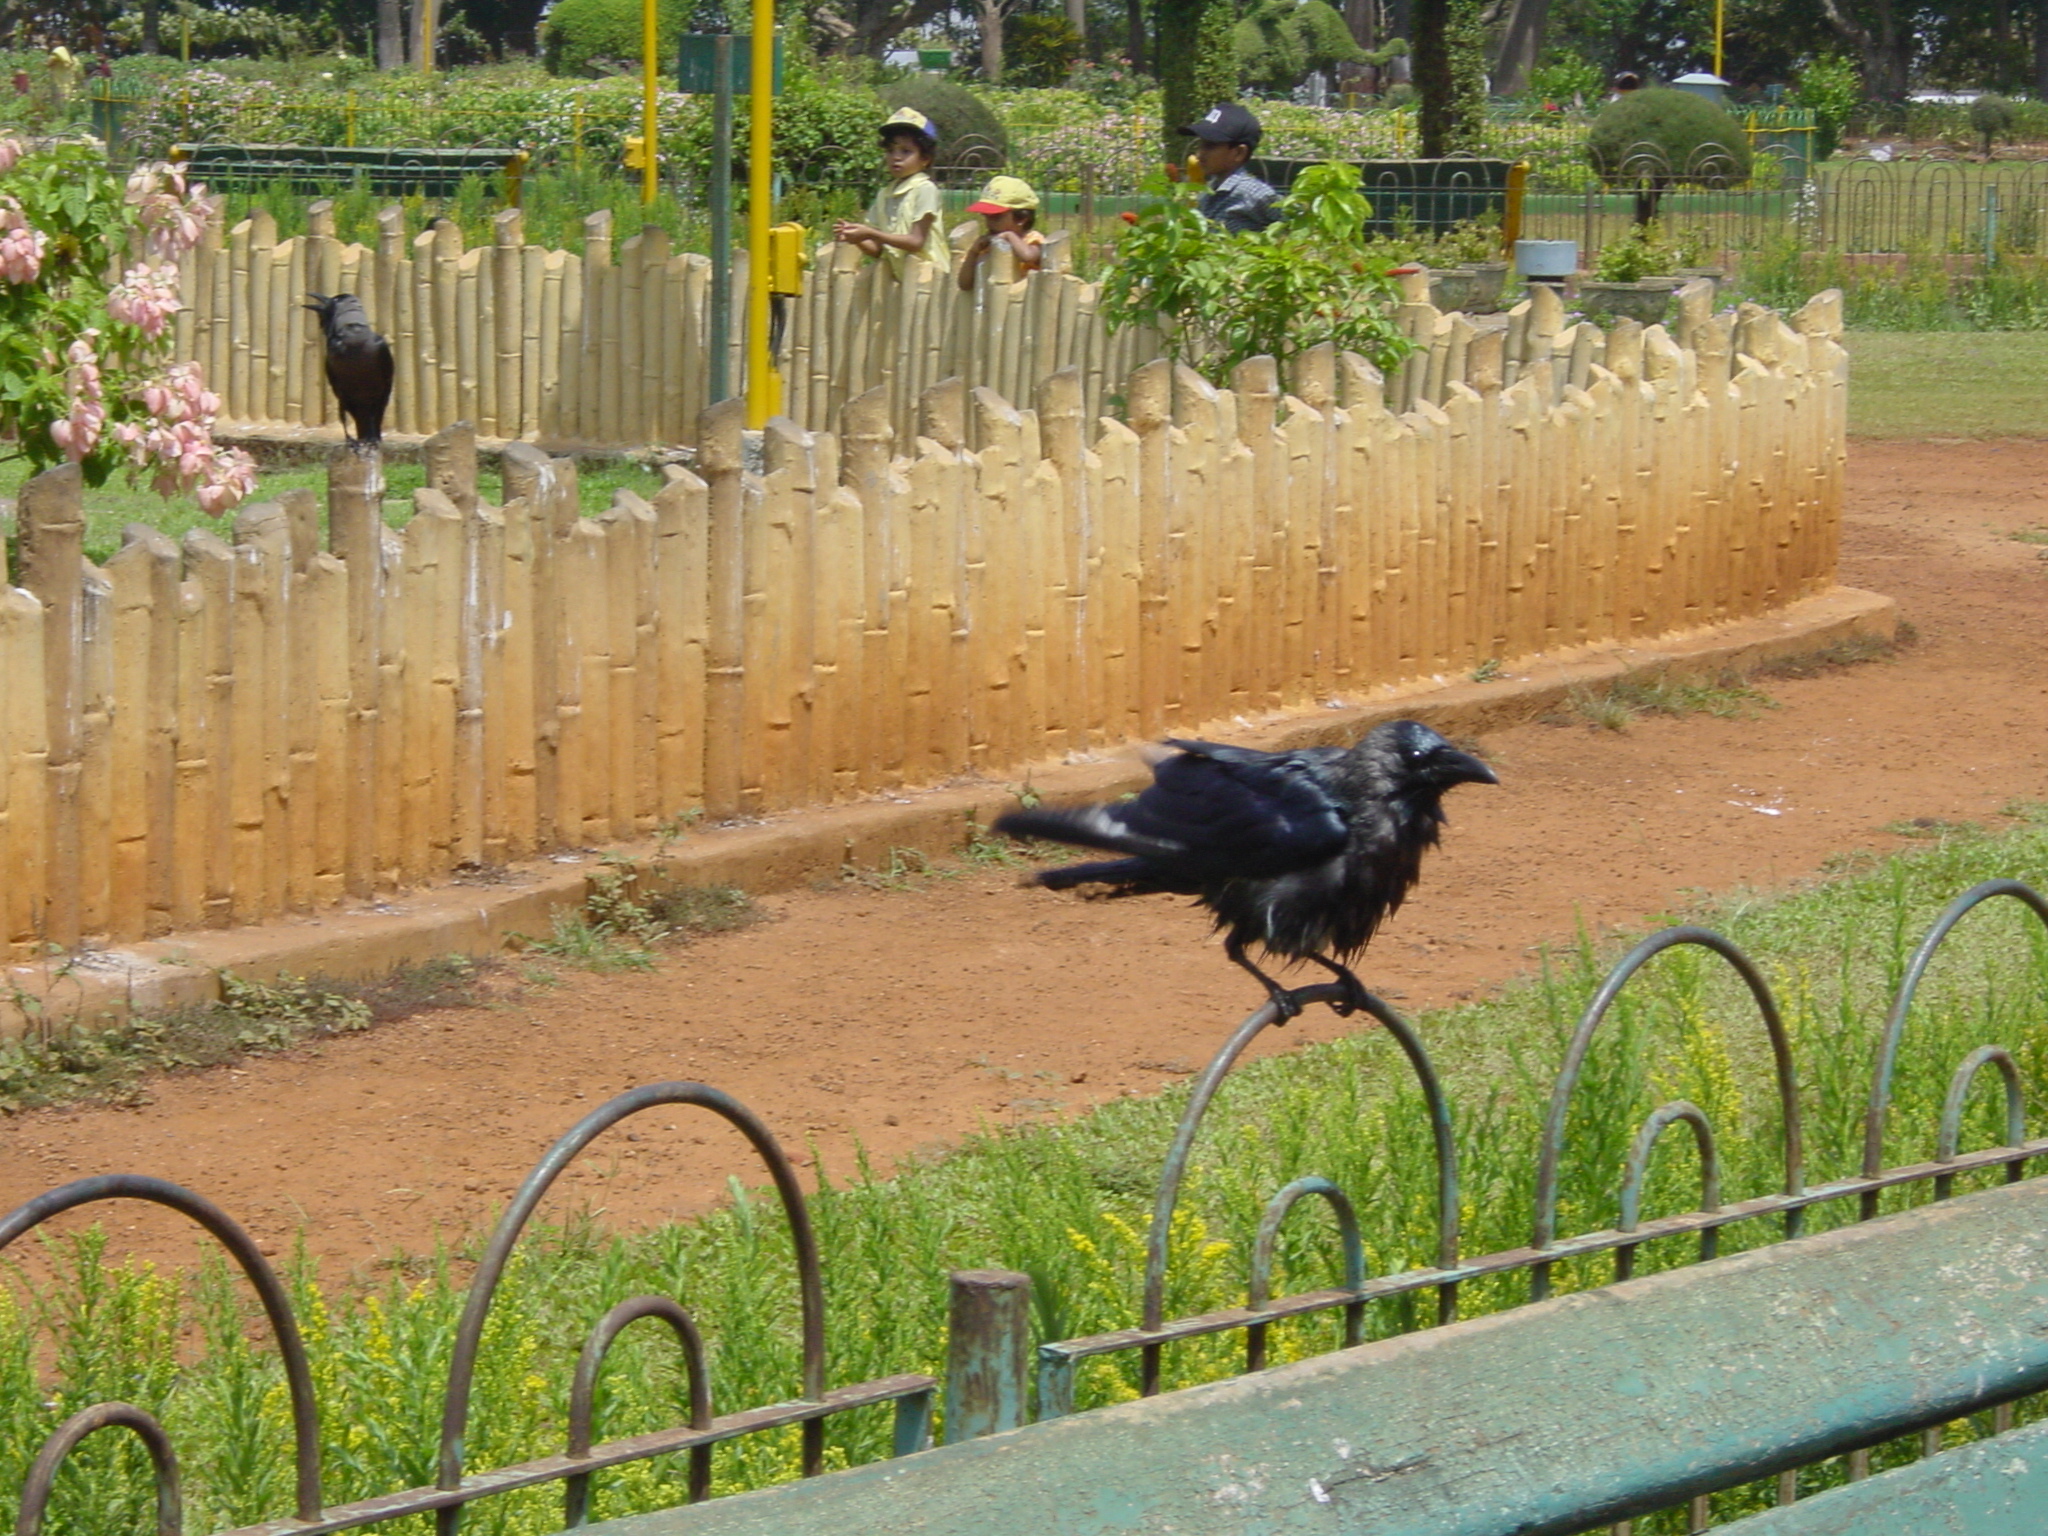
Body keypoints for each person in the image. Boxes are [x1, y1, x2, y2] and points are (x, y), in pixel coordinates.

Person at [833, 107, 947, 275]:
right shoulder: (884, 194)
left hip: (929, 280)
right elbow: (877, 250)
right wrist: (856, 238)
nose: (896, 157)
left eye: (906, 151)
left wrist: (871, 233)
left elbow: (916, 242)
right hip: (904, 281)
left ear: (925, 159)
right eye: (890, 151)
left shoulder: (925, 189)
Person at [1176, 102, 1282, 234]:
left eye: (1210, 146)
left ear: (1239, 153)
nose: (1199, 154)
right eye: (1201, 145)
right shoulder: (1207, 192)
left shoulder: (1253, 194)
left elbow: (1290, 224)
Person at [955, 174, 1045, 291]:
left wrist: (1009, 236)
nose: (989, 223)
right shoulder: (987, 247)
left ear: (1021, 218)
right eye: (986, 217)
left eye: (996, 217)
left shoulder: (1032, 239)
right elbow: (964, 284)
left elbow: (1029, 256)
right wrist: (973, 252)